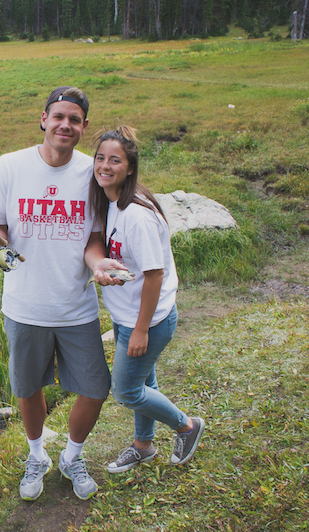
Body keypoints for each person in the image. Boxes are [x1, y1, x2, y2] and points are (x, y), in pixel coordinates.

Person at [0, 87, 125, 501]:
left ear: (84, 127)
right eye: (58, 117)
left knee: (95, 387)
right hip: (24, 306)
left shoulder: (90, 172)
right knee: (26, 388)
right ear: (43, 119)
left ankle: (72, 456)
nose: (65, 125)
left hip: (75, 306)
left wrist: (97, 264)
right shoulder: (9, 166)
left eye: (74, 120)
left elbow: (95, 237)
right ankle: (36, 455)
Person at [88, 125, 205, 474]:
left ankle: (186, 426)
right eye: (100, 158)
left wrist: (140, 331)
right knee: (143, 383)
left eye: (115, 161)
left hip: (148, 322)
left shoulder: (136, 215)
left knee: (126, 391)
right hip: (128, 317)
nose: (105, 166)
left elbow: (155, 275)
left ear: (130, 167)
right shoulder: (111, 202)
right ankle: (143, 445)